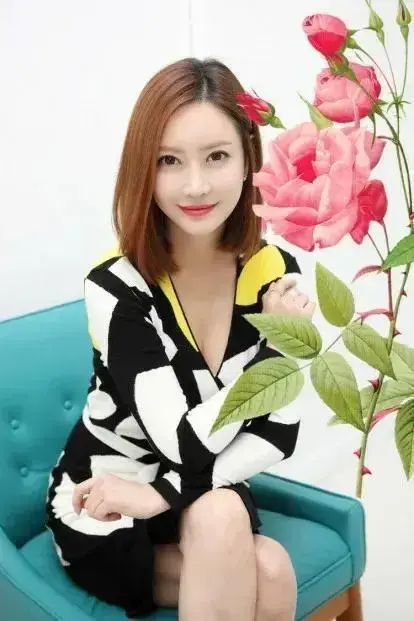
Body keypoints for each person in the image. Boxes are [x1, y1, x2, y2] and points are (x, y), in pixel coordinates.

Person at [45, 57, 316, 621]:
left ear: (248, 159)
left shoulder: (271, 272)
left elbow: (278, 432)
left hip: (196, 491)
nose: (195, 185)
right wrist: (273, 351)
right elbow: (183, 443)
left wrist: (162, 494)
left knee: (270, 565)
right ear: (143, 169)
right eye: (169, 161)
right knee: (251, 553)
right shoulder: (117, 286)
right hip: (107, 498)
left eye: (216, 156)